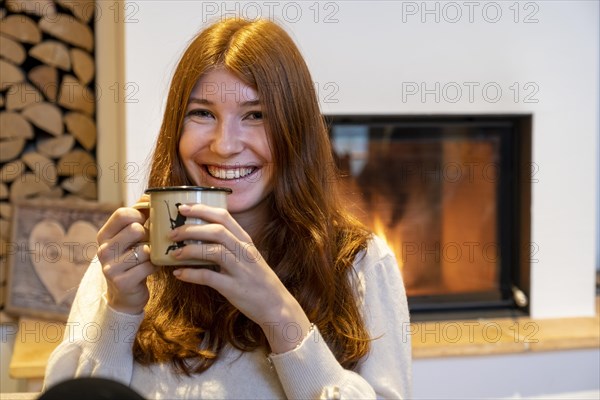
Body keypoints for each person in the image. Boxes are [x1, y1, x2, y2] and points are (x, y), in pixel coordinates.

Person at [43, 17, 412, 399]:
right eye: (202, 113)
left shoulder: (362, 263)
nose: (224, 145)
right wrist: (121, 311)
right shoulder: (133, 254)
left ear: (294, 130)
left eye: (256, 115)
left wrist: (278, 312)